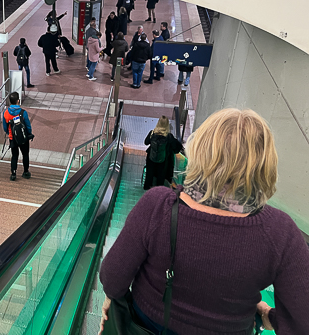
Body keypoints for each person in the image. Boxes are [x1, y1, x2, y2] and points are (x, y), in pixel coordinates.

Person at [99, 108, 309, 334]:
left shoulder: (157, 206)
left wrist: (113, 297)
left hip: (146, 325)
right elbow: (302, 320)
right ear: (265, 162)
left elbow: (112, 276)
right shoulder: (281, 232)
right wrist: (269, 317)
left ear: (200, 150)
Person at [143, 116, 182, 190]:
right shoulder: (169, 136)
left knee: (149, 174)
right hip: (163, 160)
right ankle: (159, 191)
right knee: (161, 177)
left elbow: (146, 142)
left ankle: (147, 188)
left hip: (151, 158)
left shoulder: (152, 133)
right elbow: (177, 147)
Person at [2, 92, 33, 181]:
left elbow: (5, 128)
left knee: (14, 156)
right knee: (25, 154)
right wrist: (28, 134)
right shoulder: (23, 112)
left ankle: (13, 174)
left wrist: (10, 133)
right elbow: (28, 126)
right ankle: (26, 172)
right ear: (18, 101)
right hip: (23, 138)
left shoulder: (6, 113)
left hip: (13, 138)